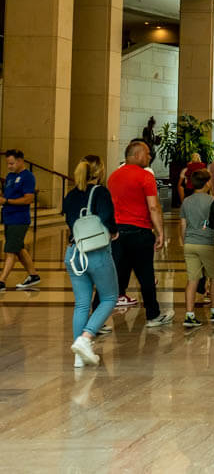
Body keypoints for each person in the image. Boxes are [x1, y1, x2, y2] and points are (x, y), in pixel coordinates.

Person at [106, 140, 172, 327]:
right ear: (136, 155)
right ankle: (153, 315)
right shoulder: (145, 176)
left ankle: (104, 314)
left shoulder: (114, 176)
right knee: (146, 275)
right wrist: (160, 232)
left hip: (118, 233)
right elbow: (153, 206)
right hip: (139, 232)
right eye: (147, 153)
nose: (150, 156)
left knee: (119, 272)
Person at [62, 154, 117, 367]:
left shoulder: (71, 195)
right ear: (100, 171)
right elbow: (106, 216)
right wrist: (114, 232)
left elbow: (69, 220)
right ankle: (86, 338)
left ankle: (79, 356)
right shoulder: (100, 191)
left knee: (82, 303)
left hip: (74, 253)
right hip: (96, 252)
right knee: (109, 297)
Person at [179, 169, 214, 328]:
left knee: (192, 279)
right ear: (208, 183)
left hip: (189, 244)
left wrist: (184, 240)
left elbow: (183, 224)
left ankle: (189, 315)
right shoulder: (212, 201)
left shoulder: (186, 201)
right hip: (206, 244)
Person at [0, 150, 40, 291]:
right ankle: (33, 275)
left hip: (19, 219)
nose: (9, 166)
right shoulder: (10, 176)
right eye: (7, 164)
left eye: (11, 163)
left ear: (20, 161)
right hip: (8, 218)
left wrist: (6, 201)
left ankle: (2, 281)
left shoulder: (27, 177)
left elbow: (29, 198)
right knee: (18, 248)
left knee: (10, 250)